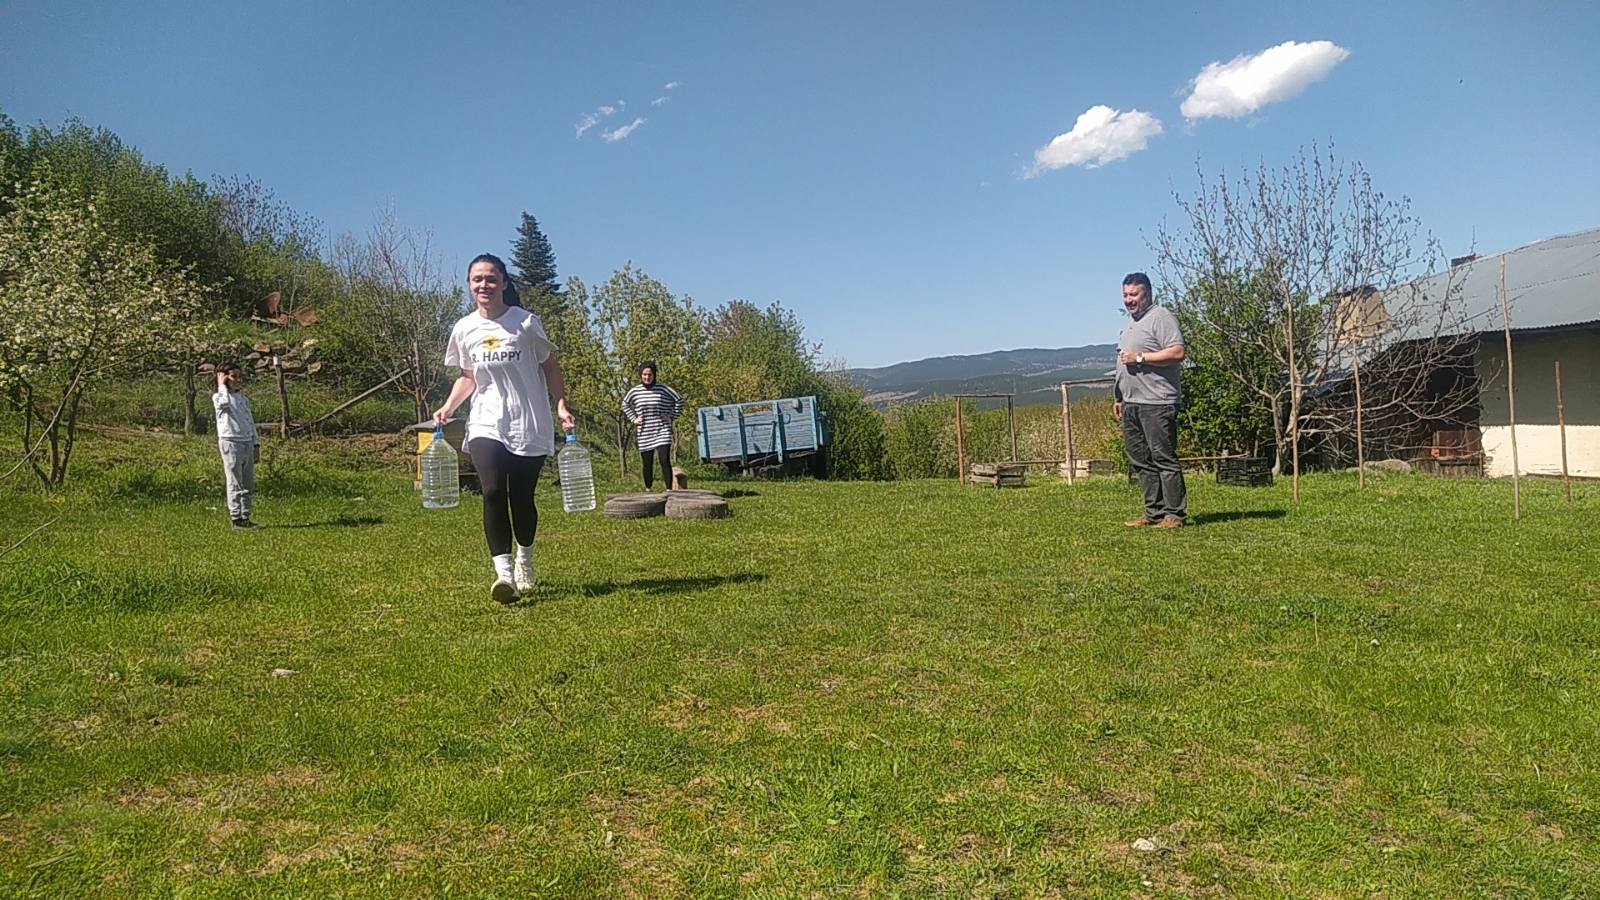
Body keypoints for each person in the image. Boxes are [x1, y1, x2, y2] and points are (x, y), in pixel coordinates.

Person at [433, 253, 575, 604]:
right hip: (485, 420)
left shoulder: (525, 323)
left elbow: (551, 367)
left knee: (521, 497)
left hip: (529, 421)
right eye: (477, 279)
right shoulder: (464, 329)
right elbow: (468, 377)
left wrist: (560, 404)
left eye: (491, 278)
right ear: (469, 284)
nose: (484, 284)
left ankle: (525, 559)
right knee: (493, 489)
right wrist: (449, 407)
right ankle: (504, 574)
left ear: (504, 283)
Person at [1113, 272, 1187, 527]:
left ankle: (1174, 514)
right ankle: (1153, 512)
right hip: (1132, 402)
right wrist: (1120, 396)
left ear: (1147, 293)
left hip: (1156, 402)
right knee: (1140, 460)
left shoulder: (1161, 317)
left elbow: (1177, 352)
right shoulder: (1131, 323)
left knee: (1163, 457)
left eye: (1133, 294)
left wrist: (1141, 357)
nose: (1128, 300)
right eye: (1125, 295)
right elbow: (1123, 362)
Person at [621, 360, 684, 491]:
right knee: (647, 462)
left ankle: (669, 490)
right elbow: (625, 404)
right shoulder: (635, 391)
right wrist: (633, 418)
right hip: (645, 430)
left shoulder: (663, 388)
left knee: (664, 459)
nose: (647, 377)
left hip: (662, 428)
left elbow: (679, 400)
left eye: (649, 374)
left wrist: (671, 416)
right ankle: (648, 488)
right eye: (644, 374)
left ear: (654, 374)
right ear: (640, 375)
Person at [212, 363, 260, 528]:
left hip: (246, 441)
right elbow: (224, 403)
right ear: (224, 378)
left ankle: (246, 515)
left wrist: (256, 444)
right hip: (231, 441)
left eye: (240, 376)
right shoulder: (219, 397)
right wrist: (221, 386)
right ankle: (236, 517)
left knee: (248, 483)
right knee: (234, 481)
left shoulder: (243, 399)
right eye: (233, 376)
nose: (238, 380)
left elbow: (250, 422)